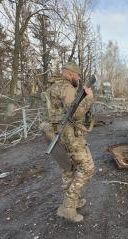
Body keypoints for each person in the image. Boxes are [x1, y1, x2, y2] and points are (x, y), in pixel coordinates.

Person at [41, 62, 95, 223]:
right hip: (69, 134)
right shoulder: (67, 88)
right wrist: (89, 98)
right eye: (77, 75)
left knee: (68, 168)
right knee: (87, 168)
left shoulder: (52, 87)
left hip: (56, 132)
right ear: (71, 73)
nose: (78, 78)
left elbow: (58, 112)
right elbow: (76, 114)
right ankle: (68, 207)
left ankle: (73, 201)